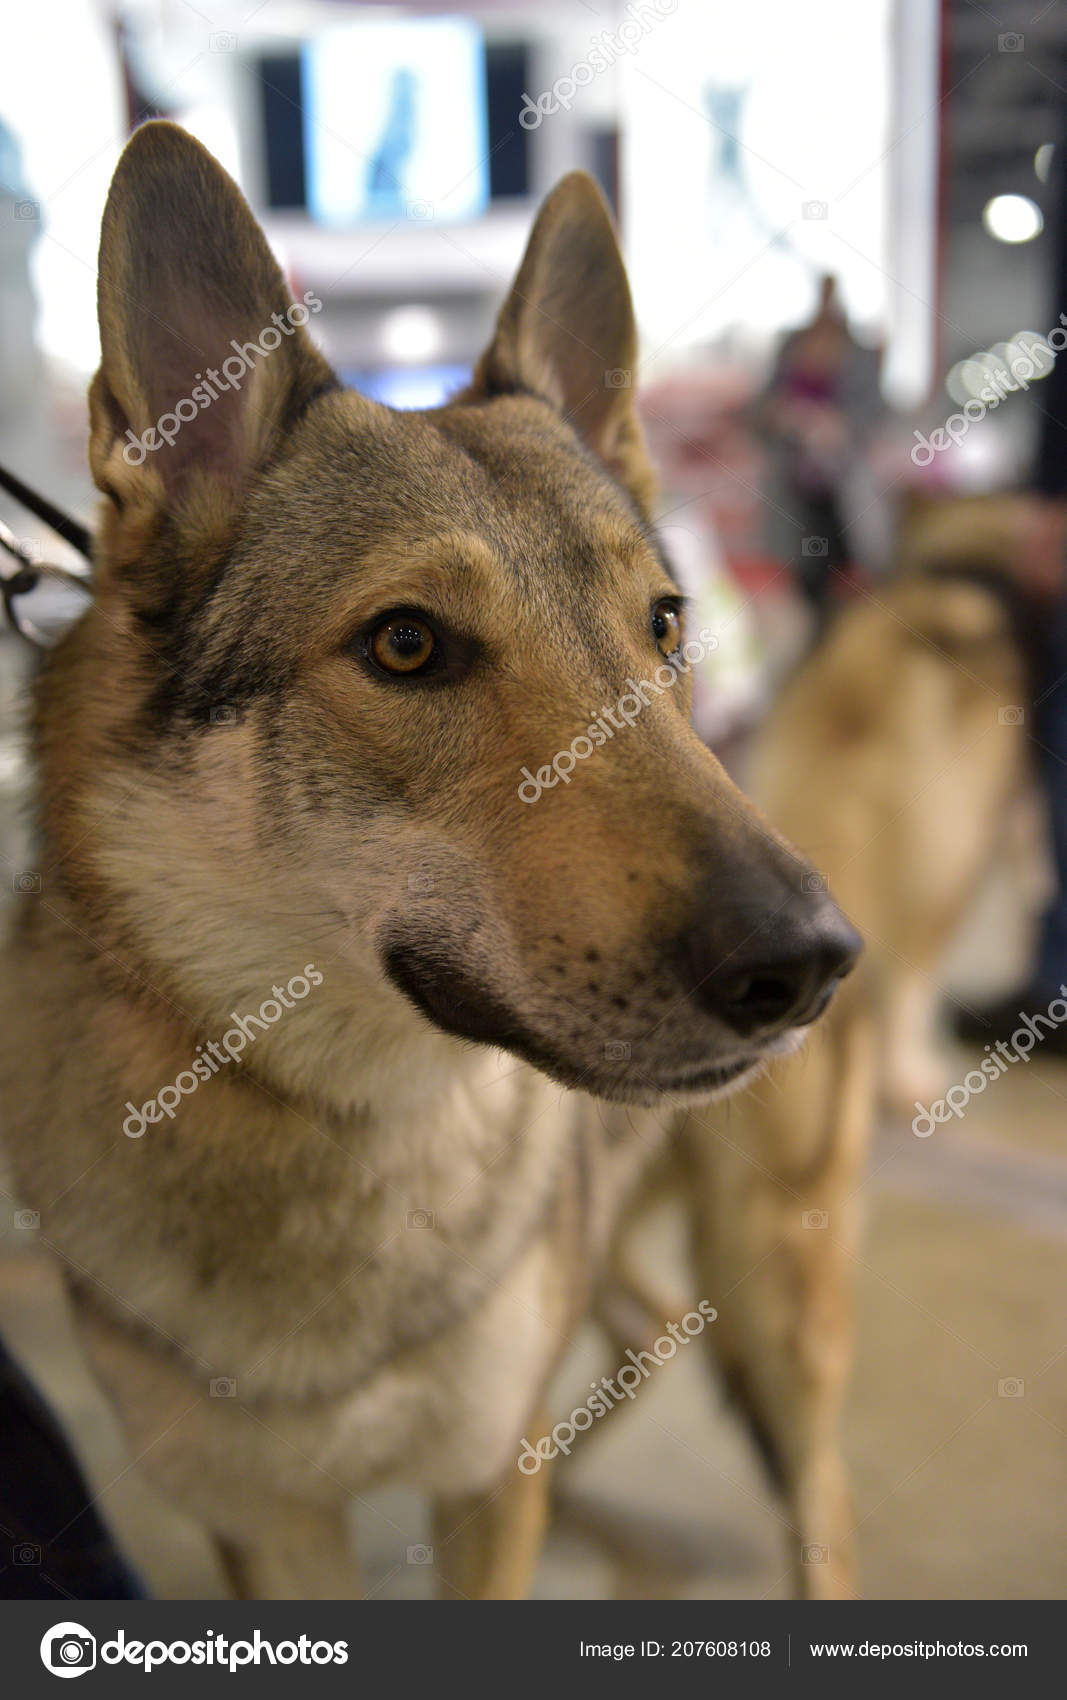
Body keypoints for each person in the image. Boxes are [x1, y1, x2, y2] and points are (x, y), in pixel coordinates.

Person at [756, 275, 884, 633]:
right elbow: (760, 408)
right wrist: (784, 416)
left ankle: (839, 640)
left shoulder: (862, 350)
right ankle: (815, 640)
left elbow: (875, 411)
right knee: (803, 574)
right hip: (795, 483)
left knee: (849, 575)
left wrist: (839, 427)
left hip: (844, 486)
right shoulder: (791, 345)